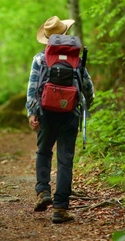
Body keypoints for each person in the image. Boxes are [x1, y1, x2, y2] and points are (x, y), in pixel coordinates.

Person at [26, 16, 94, 223]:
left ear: (47, 39)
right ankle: (60, 208)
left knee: (44, 152)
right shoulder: (76, 58)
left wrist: (32, 112)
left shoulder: (40, 58)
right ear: (65, 34)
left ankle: (43, 191)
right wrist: (85, 106)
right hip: (70, 115)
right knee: (65, 160)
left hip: (46, 114)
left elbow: (32, 89)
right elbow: (88, 88)